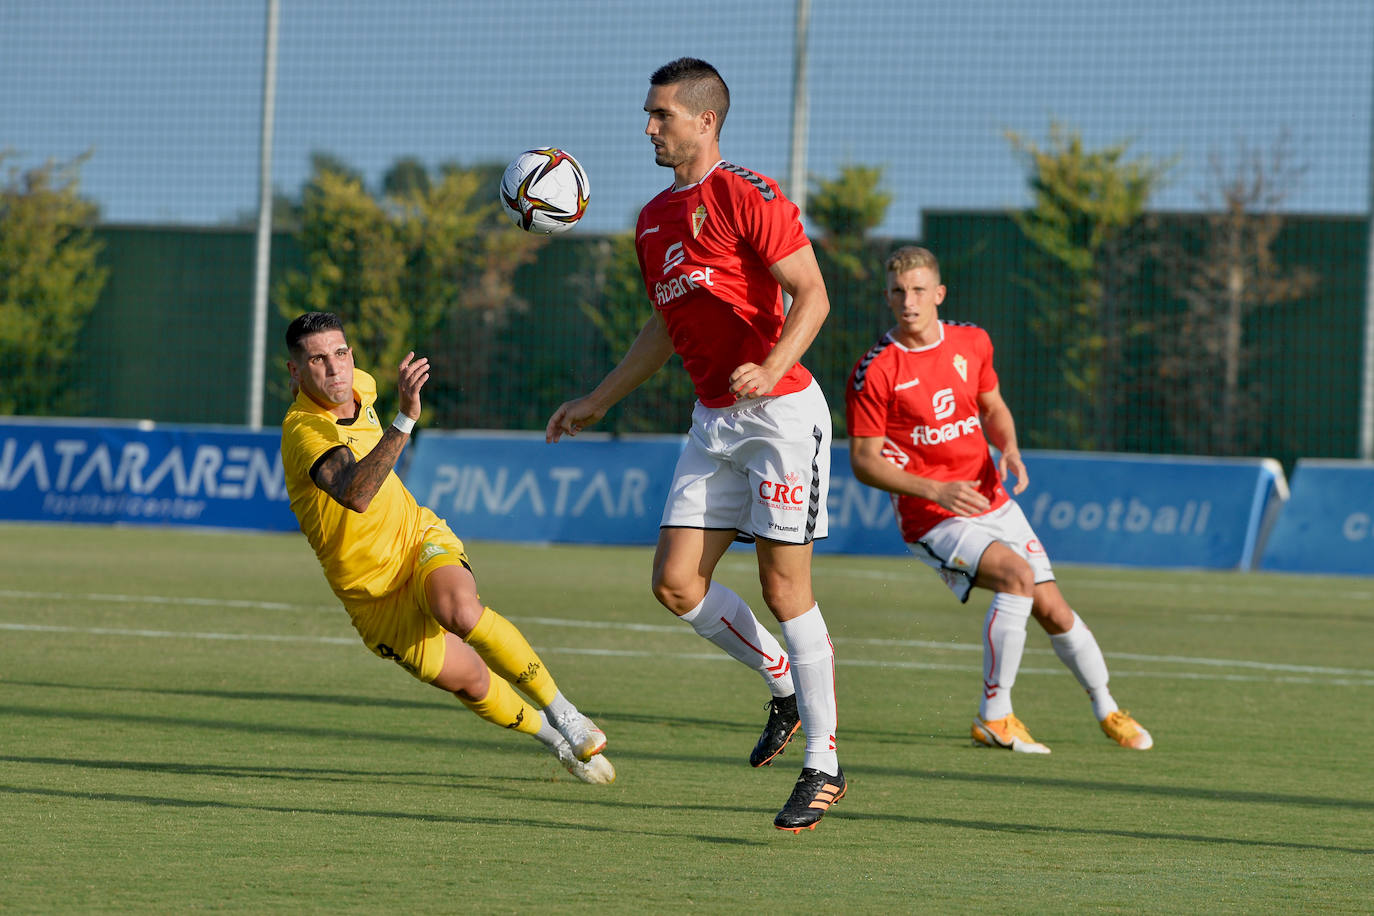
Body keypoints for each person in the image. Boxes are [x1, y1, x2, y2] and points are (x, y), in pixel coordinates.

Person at [545, 58, 844, 831]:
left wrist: (771, 363)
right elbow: (662, 329)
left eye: (662, 114)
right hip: (714, 423)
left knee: (786, 592)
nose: (649, 126)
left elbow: (813, 295)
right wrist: (597, 399)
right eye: (649, 113)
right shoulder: (651, 221)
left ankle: (825, 766)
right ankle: (778, 678)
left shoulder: (750, 195)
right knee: (676, 584)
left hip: (781, 417)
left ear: (705, 121)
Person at [281, 311, 615, 784]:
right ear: (296, 372)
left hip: (417, 539)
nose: (335, 369)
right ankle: (556, 741)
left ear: (351, 355)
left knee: (459, 611)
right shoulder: (303, 431)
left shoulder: (366, 386)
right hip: (371, 595)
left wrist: (399, 413)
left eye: (340, 353)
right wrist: (406, 418)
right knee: (472, 681)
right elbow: (356, 495)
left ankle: (567, 713)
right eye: (317, 360)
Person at [844, 246, 1152, 754]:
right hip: (933, 515)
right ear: (888, 297)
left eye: (919, 290)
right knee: (1018, 578)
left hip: (994, 499)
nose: (909, 301)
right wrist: (935, 488)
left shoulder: (972, 341)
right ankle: (995, 715)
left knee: (1052, 608)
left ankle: (1106, 707)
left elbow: (993, 406)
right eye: (898, 291)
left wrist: (1007, 445)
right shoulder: (876, 369)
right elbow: (864, 461)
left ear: (939, 293)